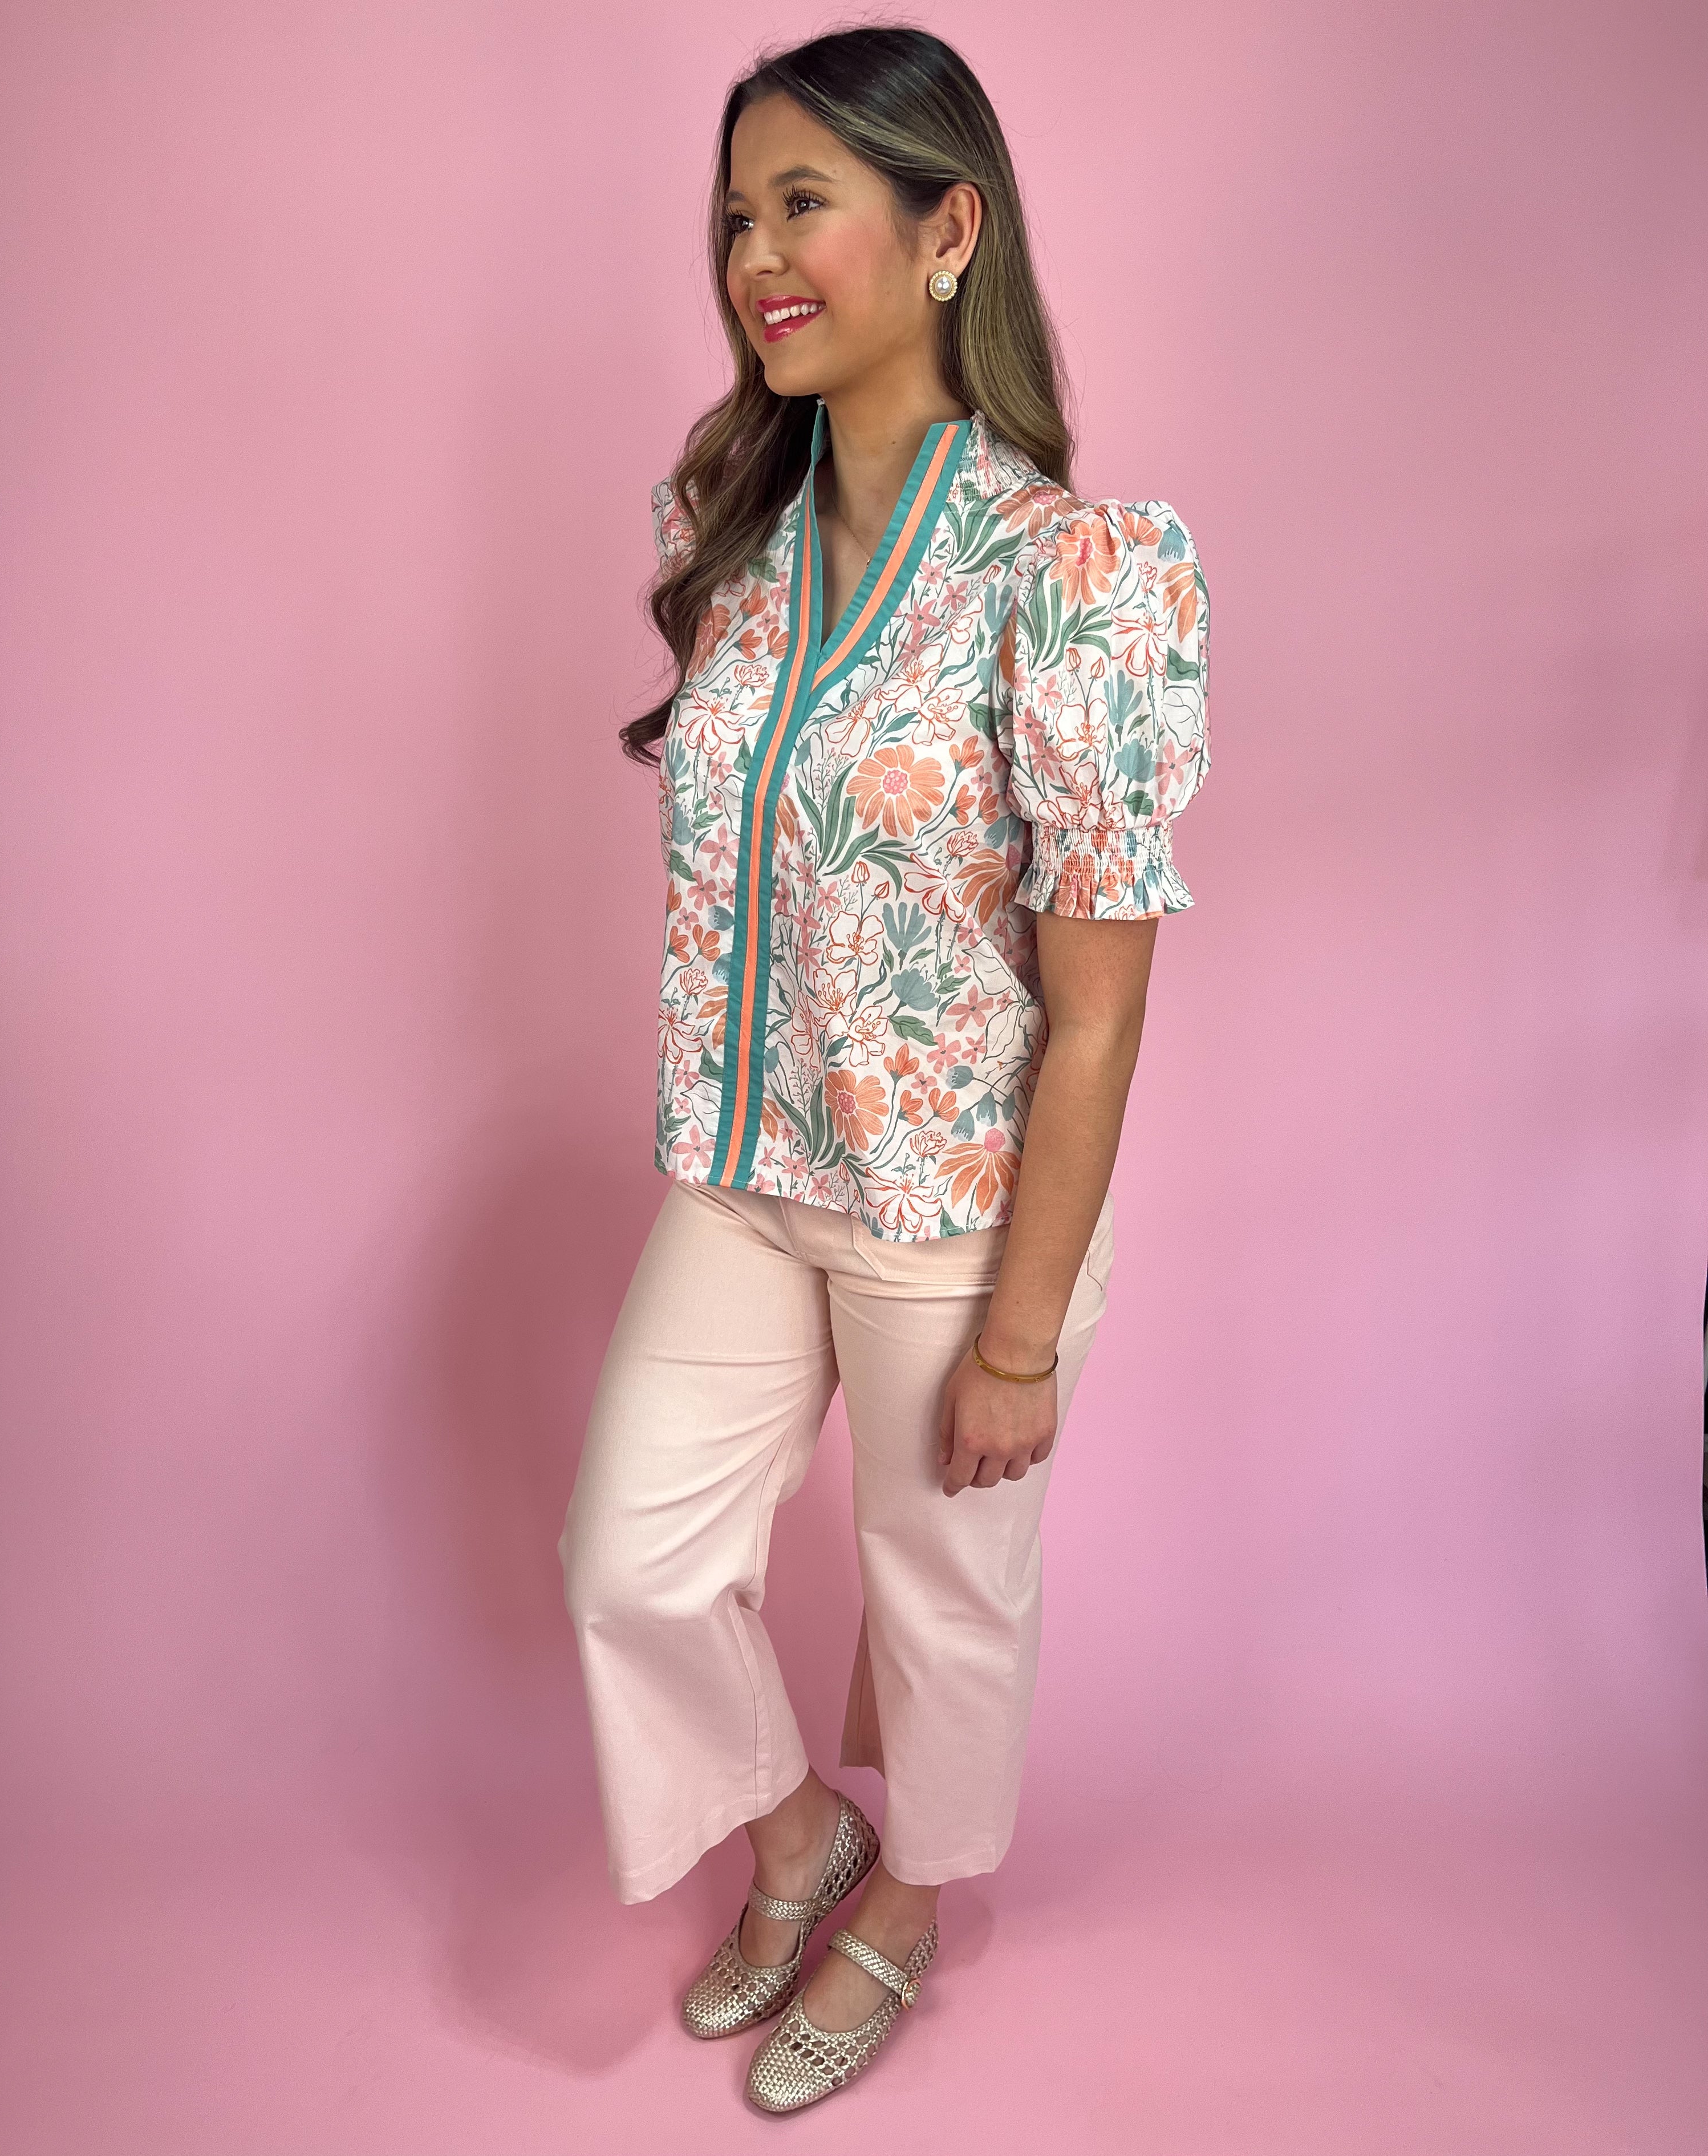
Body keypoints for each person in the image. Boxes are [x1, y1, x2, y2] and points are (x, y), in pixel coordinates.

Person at [558, 22, 1210, 2116]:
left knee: (945, 1612)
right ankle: (794, 1847)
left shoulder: (1072, 577)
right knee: (630, 1563)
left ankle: (907, 1908)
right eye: (735, 217)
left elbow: (1099, 1004)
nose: (755, 256)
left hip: (958, 1207)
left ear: (948, 233)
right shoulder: (733, 540)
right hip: (747, 1172)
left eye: (803, 204)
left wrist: (1021, 1332)